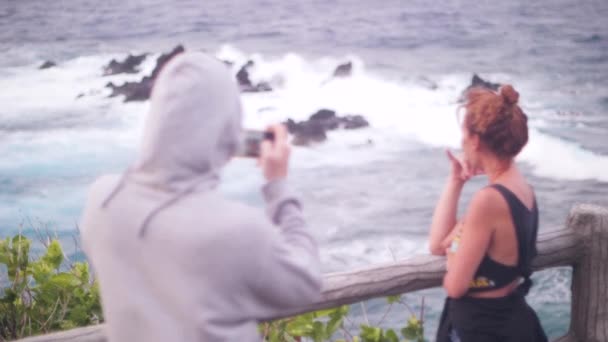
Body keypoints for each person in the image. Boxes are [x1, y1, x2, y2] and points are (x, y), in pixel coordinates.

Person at [80, 52, 322, 342]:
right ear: (229, 130)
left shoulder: (102, 200)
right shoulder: (235, 229)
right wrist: (278, 185)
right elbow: (304, 283)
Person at [429, 84, 548, 341]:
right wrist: (456, 181)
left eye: (463, 136)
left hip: (483, 328)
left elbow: (455, 285)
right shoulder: (521, 188)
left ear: (475, 140)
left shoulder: (489, 201)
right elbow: (439, 244)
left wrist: (454, 252)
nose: (461, 144)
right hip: (512, 321)